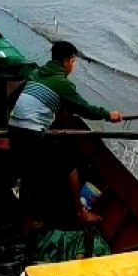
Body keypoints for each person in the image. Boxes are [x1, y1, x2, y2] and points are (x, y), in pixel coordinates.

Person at [8, 40, 122, 228]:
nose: (73, 65)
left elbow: (15, 98)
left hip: (14, 130)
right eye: (74, 62)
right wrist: (110, 115)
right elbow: (86, 110)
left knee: (29, 173)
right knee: (69, 163)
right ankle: (80, 213)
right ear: (67, 61)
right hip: (30, 135)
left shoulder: (35, 73)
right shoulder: (61, 83)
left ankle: (30, 220)